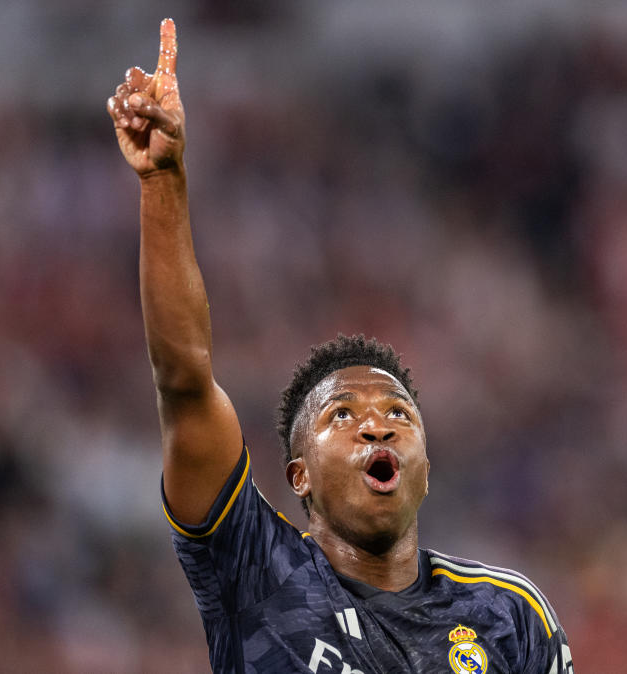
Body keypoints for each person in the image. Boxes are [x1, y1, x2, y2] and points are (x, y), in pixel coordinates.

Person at [106, 18, 573, 674]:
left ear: (427, 469)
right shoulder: (259, 574)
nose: (376, 425)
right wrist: (163, 182)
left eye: (399, 415)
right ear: (299, 476)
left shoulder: (508, 615)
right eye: (341, 416)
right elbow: (183, 380)